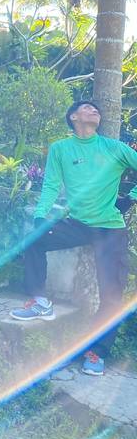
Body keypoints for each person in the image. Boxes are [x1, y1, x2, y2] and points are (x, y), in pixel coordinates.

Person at [10, 100, 137, 376]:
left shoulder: (113, 147)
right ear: (73, 117)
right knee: (34, 240)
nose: (94, 110)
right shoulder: (60, 149)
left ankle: (95, 352)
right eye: (87, 107)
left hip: (110, 229)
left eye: (96, 109)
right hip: (78, 223)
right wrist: (41, 217)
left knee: (113, 295)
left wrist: (131, 198)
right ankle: (40, 302)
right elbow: (52, 184)